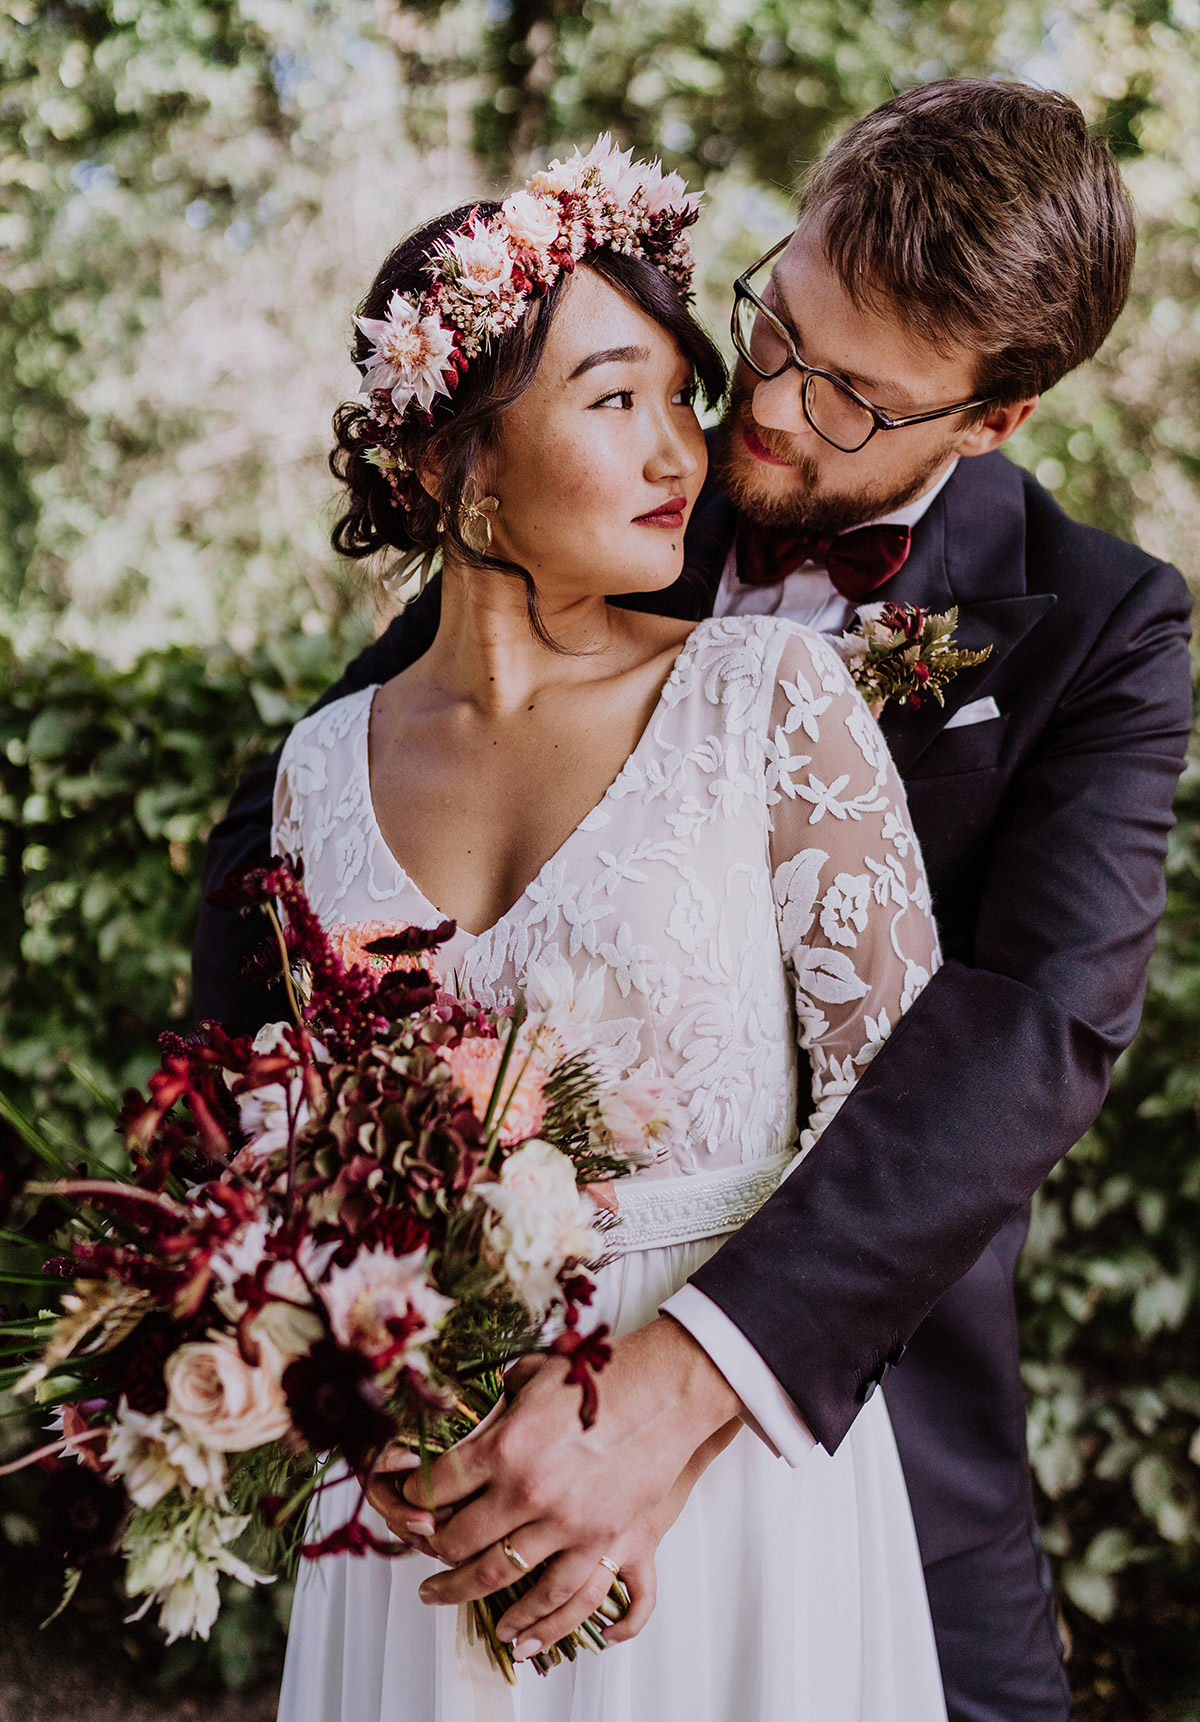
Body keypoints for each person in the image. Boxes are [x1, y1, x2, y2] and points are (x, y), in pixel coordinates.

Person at [194, 83, 1194, 1722]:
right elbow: (302, 844)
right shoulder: (600, 486)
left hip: (860, 1447)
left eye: (854, 398)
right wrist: (305, 1261)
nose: (771, 413)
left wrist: (672, 1395)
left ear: (992, 415)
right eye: (776, 326)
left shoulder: (1102, 629)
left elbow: (1030, 1029)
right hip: (464, 1448)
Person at [257, 142, 946, 1720]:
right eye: (612, 398)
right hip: (426, 1519)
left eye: (679, 397)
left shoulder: (767, 700)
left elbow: (892, 1151)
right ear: (450, 463)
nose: (683, 453)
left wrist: (662, 1438)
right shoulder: (312, 773)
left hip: (731, 1505)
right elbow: (311, 1163)